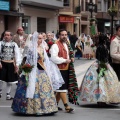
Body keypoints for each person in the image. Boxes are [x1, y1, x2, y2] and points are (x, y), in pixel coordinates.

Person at [11, 32, 59, 115]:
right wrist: (27, 71)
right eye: (39, 38)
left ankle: (48, 107)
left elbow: (46, 60)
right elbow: (28, 61)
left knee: (45, 88)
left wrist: (49, 71)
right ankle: (30, 108)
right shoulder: (31, 48)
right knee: (32, 88)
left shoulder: (42, 48)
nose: (41, 40)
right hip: (33, 71)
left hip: (42, 71)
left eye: (41, 38)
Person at [78, 34, 120, 105]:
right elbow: (100, 57)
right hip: (102, 64)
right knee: (101, 82)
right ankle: (101, 99)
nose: (106, 40)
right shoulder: (101, 47)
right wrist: (103, 66)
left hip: (103, 64)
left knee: (101, 82)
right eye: (105, 39)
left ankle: (105, 98)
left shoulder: (102, 46)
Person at [50, 29, 78, 113]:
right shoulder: (55, 45)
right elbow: (53, 58)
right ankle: (66, 106)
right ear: (59, 35)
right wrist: (65, 60)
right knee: (62, 88)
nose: (64, 36)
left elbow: (69, 54)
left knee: (60, 89)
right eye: (62, 35)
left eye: (65, 35)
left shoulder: (67, 44)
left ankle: (55, 105)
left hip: (66, 68)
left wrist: (71, 58)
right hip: (58, 69)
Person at [0, 31, 21, 100]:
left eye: (8, 35)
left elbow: (17, 54)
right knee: (1, 79)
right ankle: (0, 92)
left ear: (11, 36)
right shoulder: (1, 43)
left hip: (11, 63)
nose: (7, 36)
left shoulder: (14, 44)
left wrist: (17, 64)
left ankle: (8, 94)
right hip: (2, 63)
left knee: (10, 80)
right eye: (5, 35)